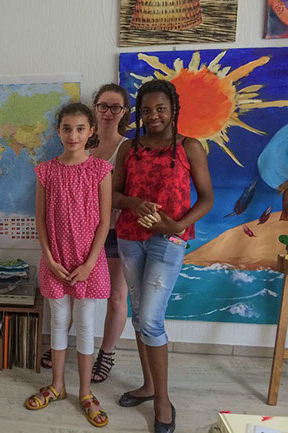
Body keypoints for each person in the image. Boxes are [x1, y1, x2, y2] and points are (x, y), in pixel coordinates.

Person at [113, 80, 213, 433]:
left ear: (174, 110)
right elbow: (113, 194)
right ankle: (148, 385)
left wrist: (177, 225)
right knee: (140, 314)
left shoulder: (189, 147)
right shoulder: (129, 148)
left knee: (152, 319)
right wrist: (133, 203)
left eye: (160, 109)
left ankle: (163, 400)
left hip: (169, 240)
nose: (153, 116)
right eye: (146, 110)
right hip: (130, 238)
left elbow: (207, 198)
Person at [25, 102, 112, 428]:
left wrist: (89, 264)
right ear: (58, 131)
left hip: (88, 262)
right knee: (59, 321)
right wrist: (48, 257)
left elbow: (104, 222)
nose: (72, 135)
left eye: (79, 129)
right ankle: (57, 385)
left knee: (85, 324)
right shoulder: (46, 171)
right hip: (56, 260)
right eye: (66, 129)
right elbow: (40, 218)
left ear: (91, 131)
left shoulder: (100, 170)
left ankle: (85, 392)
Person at [88, 84, 131, 383]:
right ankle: (62, 344)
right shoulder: (81, 143)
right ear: (95, 108)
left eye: (116, 107)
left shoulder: (128, 148)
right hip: (84, 231)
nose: (108, 113)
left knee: (116, 297)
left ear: (124, 112)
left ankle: (107, 353)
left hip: (117, 230)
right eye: (103, 106)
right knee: (76, 291)